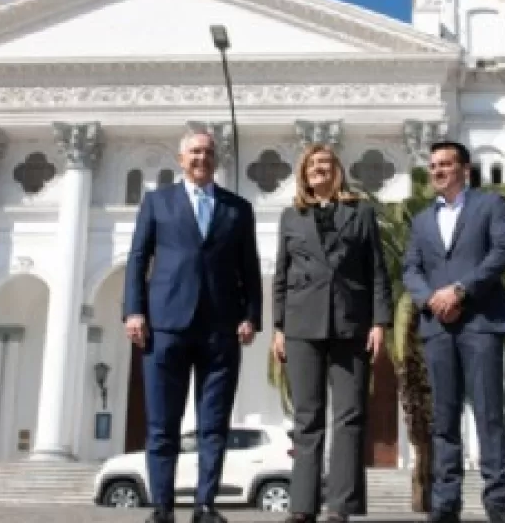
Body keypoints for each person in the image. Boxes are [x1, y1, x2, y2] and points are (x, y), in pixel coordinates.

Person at [122, 129, 262, 523]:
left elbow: (248, 267)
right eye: (195, 152)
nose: (202, 158)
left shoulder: (237, 208)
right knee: (162, 422)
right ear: (182, 159)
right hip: (165, 325)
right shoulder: (157, 202)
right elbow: (138, 258)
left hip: (220, 327)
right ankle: (163, 507)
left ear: (215, 159)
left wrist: (252, 315)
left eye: (208, 152)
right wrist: (134, 311)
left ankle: (204, 505)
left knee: (213, 423)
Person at [272, 143, 393, 523]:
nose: (320, 169)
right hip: (302, 323)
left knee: (350, 414)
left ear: (337, 170)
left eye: (326, 163)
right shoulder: (291, 217)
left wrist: (379, 322)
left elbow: (376, 270)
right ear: (304, 174)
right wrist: (278, 327)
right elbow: (281, 275)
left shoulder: (361, 213)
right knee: (307, 416)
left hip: (350, 321)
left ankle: (341, 505)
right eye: (313, 165)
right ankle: (302, 505)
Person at [402, 141, 505, 523]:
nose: (437, 171)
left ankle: (496, 502)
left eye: (445, 164)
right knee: (444, 418)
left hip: (480, 324)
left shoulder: (491, 206)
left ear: (465, 169)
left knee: (488, 413)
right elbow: (411, 270)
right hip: (437, 327)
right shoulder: (420, 221)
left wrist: (461, 290)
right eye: (433, 165)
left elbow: (503, 252)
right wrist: (430, 298)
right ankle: (445, 501)